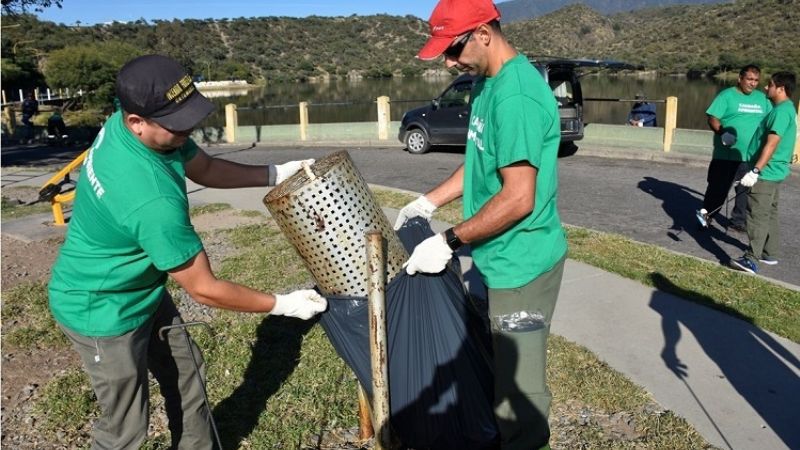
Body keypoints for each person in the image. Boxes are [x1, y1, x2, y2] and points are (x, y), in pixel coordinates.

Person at [48, 54, 327, 449]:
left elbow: (207, 169)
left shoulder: (138, 127)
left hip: (141, 289)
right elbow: (205, 289)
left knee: (186, 371)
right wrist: (281, 303)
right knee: (125, 428)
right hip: (100, 308)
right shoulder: (150, 198)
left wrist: (274, 173)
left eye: (190, 115)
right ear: (136, 122)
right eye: (177, 124)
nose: (189, 129)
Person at [394, 1, 567, 448]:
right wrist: (426, 202)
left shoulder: (517, 96)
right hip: (495, 257)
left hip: (522, 263)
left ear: (484, 34)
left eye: (453, 50)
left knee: (519, 393)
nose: (450, 62)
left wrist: (449, 241)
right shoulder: (488, 85)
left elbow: (518, 197)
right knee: (492, 365)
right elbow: (478, 161)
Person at [731, 71, 797, 274]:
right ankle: (769, 252)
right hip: (776, 171)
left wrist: (755, 170)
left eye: (769, 85)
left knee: (756, 214)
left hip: (766, 172)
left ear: (781, 89)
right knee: (770, 212)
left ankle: (751, 259)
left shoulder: (780, 112)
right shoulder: (787, 109)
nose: (765, 88)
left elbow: (772, 142)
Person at [696, 65, 772, 232]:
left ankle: (738, 221)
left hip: (750, 157)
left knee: (744, 191)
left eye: (756, 80)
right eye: (749, 79)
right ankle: (706, 217)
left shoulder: (763, 99)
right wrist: (722, 132)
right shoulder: (727, 96)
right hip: (725, 155)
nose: (753, 83)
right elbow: (712, 117)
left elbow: (772, 122)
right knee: (717, 190)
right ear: (740, 78)